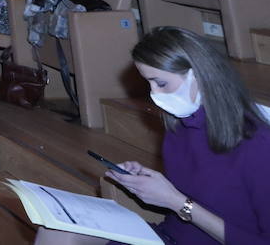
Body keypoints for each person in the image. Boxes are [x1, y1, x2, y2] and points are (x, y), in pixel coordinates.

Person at [104, 27, 270, 244]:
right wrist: (149, 185)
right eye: (149, 84)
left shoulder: (257, 144)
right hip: (171, 236)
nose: (154, 94)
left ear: (198, 76)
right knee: (62, 231)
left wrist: (177, 202)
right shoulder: (179, 125)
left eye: (161, 83)